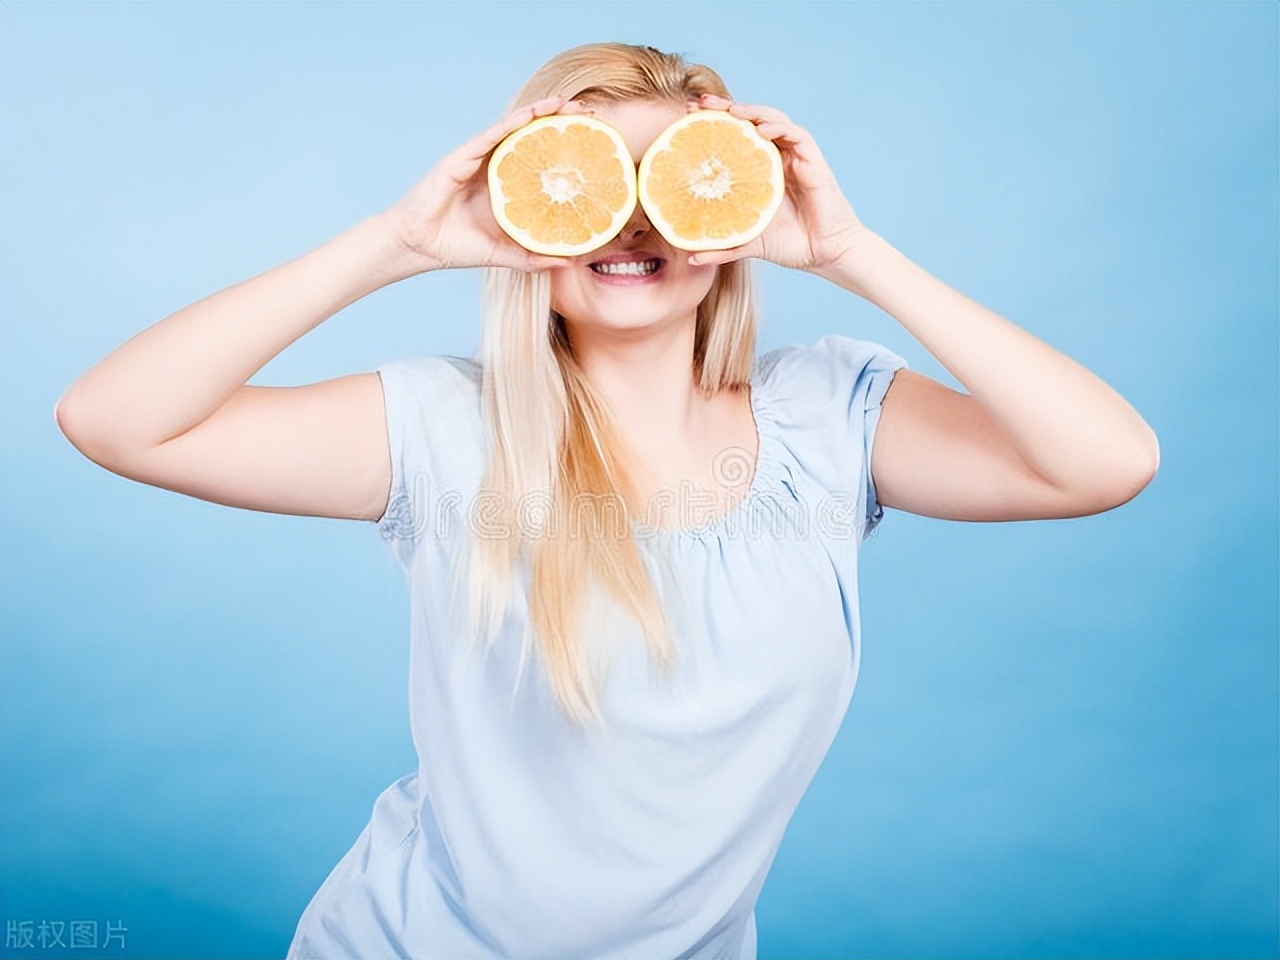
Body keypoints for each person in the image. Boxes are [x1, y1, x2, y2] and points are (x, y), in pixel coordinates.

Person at [54, 41, 1159, 960]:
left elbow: (1103, 462)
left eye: (668, 178)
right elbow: (115, 418)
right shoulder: (446, 434)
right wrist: (394, 244)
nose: (632, 220)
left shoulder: (833, 420)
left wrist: (849, 253)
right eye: (590, 180)